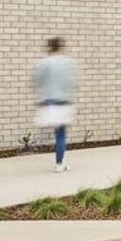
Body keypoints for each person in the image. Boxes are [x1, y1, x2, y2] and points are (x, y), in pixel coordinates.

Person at [33, 37, 78, 173]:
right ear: (61, 47)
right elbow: (72, 82)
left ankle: (58, 161)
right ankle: (59, 164)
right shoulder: (67, 63)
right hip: (63, 102)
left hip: (48, 102)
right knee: (61, 135)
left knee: (54, 133)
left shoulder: (44, 63)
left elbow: (36, 81)